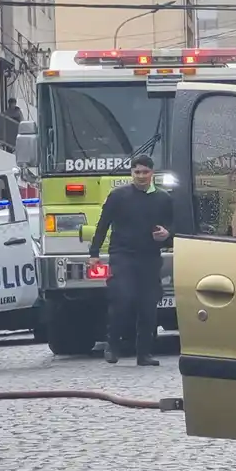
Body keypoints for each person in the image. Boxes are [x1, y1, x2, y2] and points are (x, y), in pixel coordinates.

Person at [89, 154, 173, 366]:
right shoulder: (118, 196)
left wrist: (167, 234)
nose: (141, 176)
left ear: (152, 173)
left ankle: (143, 354)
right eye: (137, 172)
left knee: (148, 306)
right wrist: (94, 254)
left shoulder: (164, 199)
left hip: (150, 258)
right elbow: (102, 224)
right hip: (122, 255)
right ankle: (112, 345)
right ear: (131, 173)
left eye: (145, 172)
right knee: (122, 299)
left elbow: (174, 226)